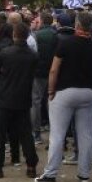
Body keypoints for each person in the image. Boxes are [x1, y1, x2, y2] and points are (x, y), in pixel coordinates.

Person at [37, 11, 92, 182]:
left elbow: (54, 70)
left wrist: (51, 91)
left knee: (58, 135)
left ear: (76, 24)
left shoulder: (65, 45)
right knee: (85, 135)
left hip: (64, 92)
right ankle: (84, 173)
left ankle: (51, 174)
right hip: (88, 94)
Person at [0, 21, 39, 178]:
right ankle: (31, 165)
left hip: (5, 97)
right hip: (22, 98)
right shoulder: (33, 56)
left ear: (15, 35)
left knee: (0, 134)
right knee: (25, 133)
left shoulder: (5, 53)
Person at [31, 10, 58, 144]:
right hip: (52, 71)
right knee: (51, 101)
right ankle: (54, 131)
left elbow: (33, 52)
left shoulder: (36, 35)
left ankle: (36, 133)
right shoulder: (56, 35)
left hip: (38, 72)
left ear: (41, 21)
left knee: (35, 101)